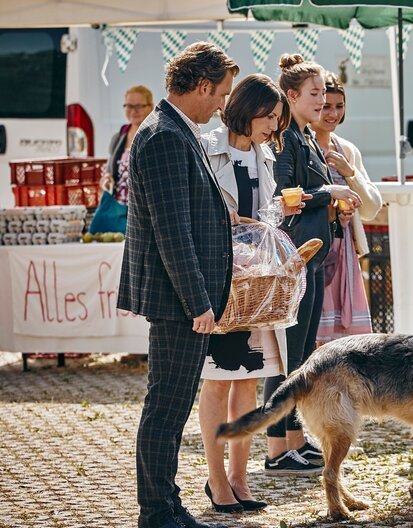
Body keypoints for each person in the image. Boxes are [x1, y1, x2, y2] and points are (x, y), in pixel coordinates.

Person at [117, 42, 238, 528]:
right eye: (222, 93)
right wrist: (199, 302)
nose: (223, 104)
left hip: (182, 297)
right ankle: (157, 510)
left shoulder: (173, 129)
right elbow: (172, 231)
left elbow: (184, 217)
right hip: (178, 301)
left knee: (170, 405)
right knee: (166, 407)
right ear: (202, 86)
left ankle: (166, 505)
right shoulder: (166, 134)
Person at [197, 74, 300, 513]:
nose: (274, 127)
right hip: (221, 283)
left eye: (278, 119)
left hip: (256, 283)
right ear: (248, 108)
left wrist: (279, 212)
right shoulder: (206, 147)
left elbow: (264, 211)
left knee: (249, 382)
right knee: (219, 383)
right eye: (270, 116)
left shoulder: (266, 155)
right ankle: (216, 479)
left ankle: (240, 479)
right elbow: (197, 212)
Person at [263, 54, 362, 475]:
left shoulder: (305, 136)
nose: (323, 101)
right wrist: (329, 192)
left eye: (324, 92)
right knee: (287, 357)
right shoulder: (286, 139)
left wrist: (336, 202)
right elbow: (286, 194)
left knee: (303, 354)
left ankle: (296, 441)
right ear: (292, 96)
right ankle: (275, 448)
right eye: (315, 93)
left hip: (315, 256)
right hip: (296, 257)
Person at [312, 72, 383, 343]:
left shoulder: (347, 150)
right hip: (317, 248)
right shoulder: (300, 145)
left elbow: (371, 208)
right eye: (326, 106)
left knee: (346, 343)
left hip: (345, 252)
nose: (332, 113)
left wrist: (349, 172)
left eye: (339, 106)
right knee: (315, 338)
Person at [93, 85, 153, 234]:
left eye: (139, 106)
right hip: (117, 209)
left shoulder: (155, 135)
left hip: (142, 210)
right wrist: (107, 177)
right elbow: (110, 169)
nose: (133, 111)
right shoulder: (119, 136)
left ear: (150, 107)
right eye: (129, 106)